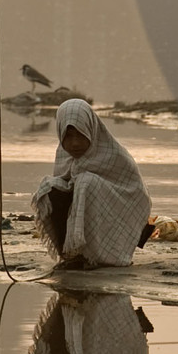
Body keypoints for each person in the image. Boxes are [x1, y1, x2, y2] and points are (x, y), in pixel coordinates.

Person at [31, 98, 151, 270]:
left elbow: (137, 196)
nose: (75, 143)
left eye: (81, 134)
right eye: (68, 136)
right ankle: (70, 254)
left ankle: (96, 257)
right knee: (50, 186)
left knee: (86, 182)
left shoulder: (114, 156)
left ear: (91, 130)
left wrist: (88, 186)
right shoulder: (65, 156)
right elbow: (64, 188)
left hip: (117, 221)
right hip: (90, 210)